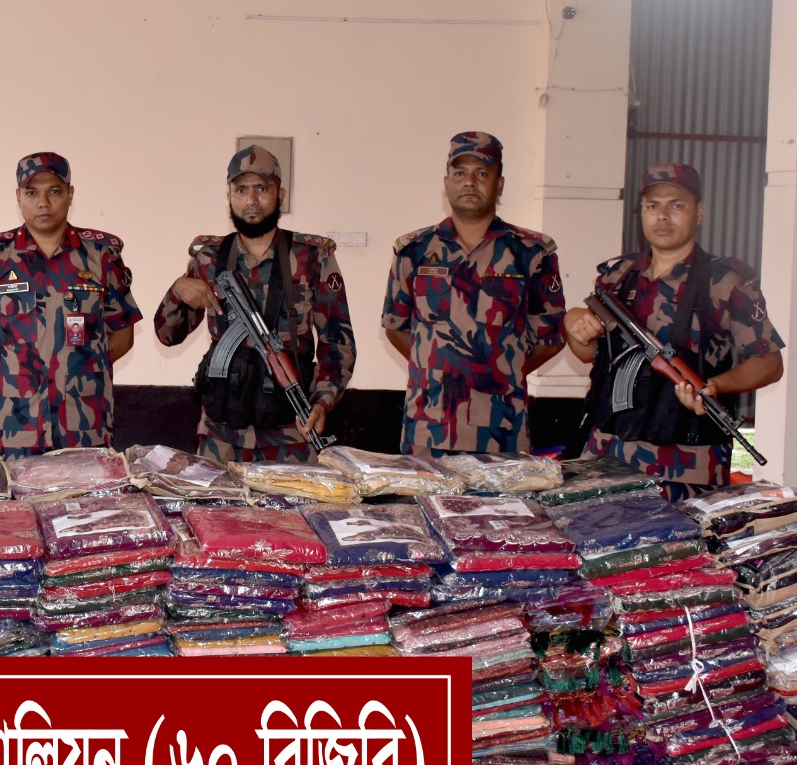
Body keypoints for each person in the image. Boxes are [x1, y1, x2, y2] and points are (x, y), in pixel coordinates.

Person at [563, 162, 784, 498]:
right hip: (605, 455)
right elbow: (587, 355)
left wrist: (714, 386)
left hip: (686, 464)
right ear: (642, 212)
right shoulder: (616, 276)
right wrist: (574, 323)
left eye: (676, 205)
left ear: (699, 212)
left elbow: (769, 363)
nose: (663, 216)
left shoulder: (726, 280)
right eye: (653, 206)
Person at [154, 145, 356, 461]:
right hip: (220, 438)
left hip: (290, 438)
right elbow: (168, 336)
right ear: (229, 196)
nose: (251, 199)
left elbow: (338, 344)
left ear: (280, 194)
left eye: (262, 188)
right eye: (241, 189)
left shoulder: (311, 257)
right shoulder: (208, 258)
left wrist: (322, 402)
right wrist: (177, 291)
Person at [382, 131, 566, 455]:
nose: (469, 182)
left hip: (503, 428)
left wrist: (501, 369)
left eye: (482, 173)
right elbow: (396, 327)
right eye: (460, 173)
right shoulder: (415, 251)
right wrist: (438, 367)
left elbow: (550, 338)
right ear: (446, 183)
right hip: (428, 427)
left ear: (500, 185)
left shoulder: (531, 253)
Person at [0, 152, 141, 456]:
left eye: (54, 191)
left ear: (70, 194)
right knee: (14, 489)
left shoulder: (101, 255)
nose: (43, 202)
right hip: (15, 423)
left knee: (88, 488)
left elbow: (123, 331)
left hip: (85, 420)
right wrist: (10, 375)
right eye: (32, 193)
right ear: (18, 197)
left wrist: (84, 369)